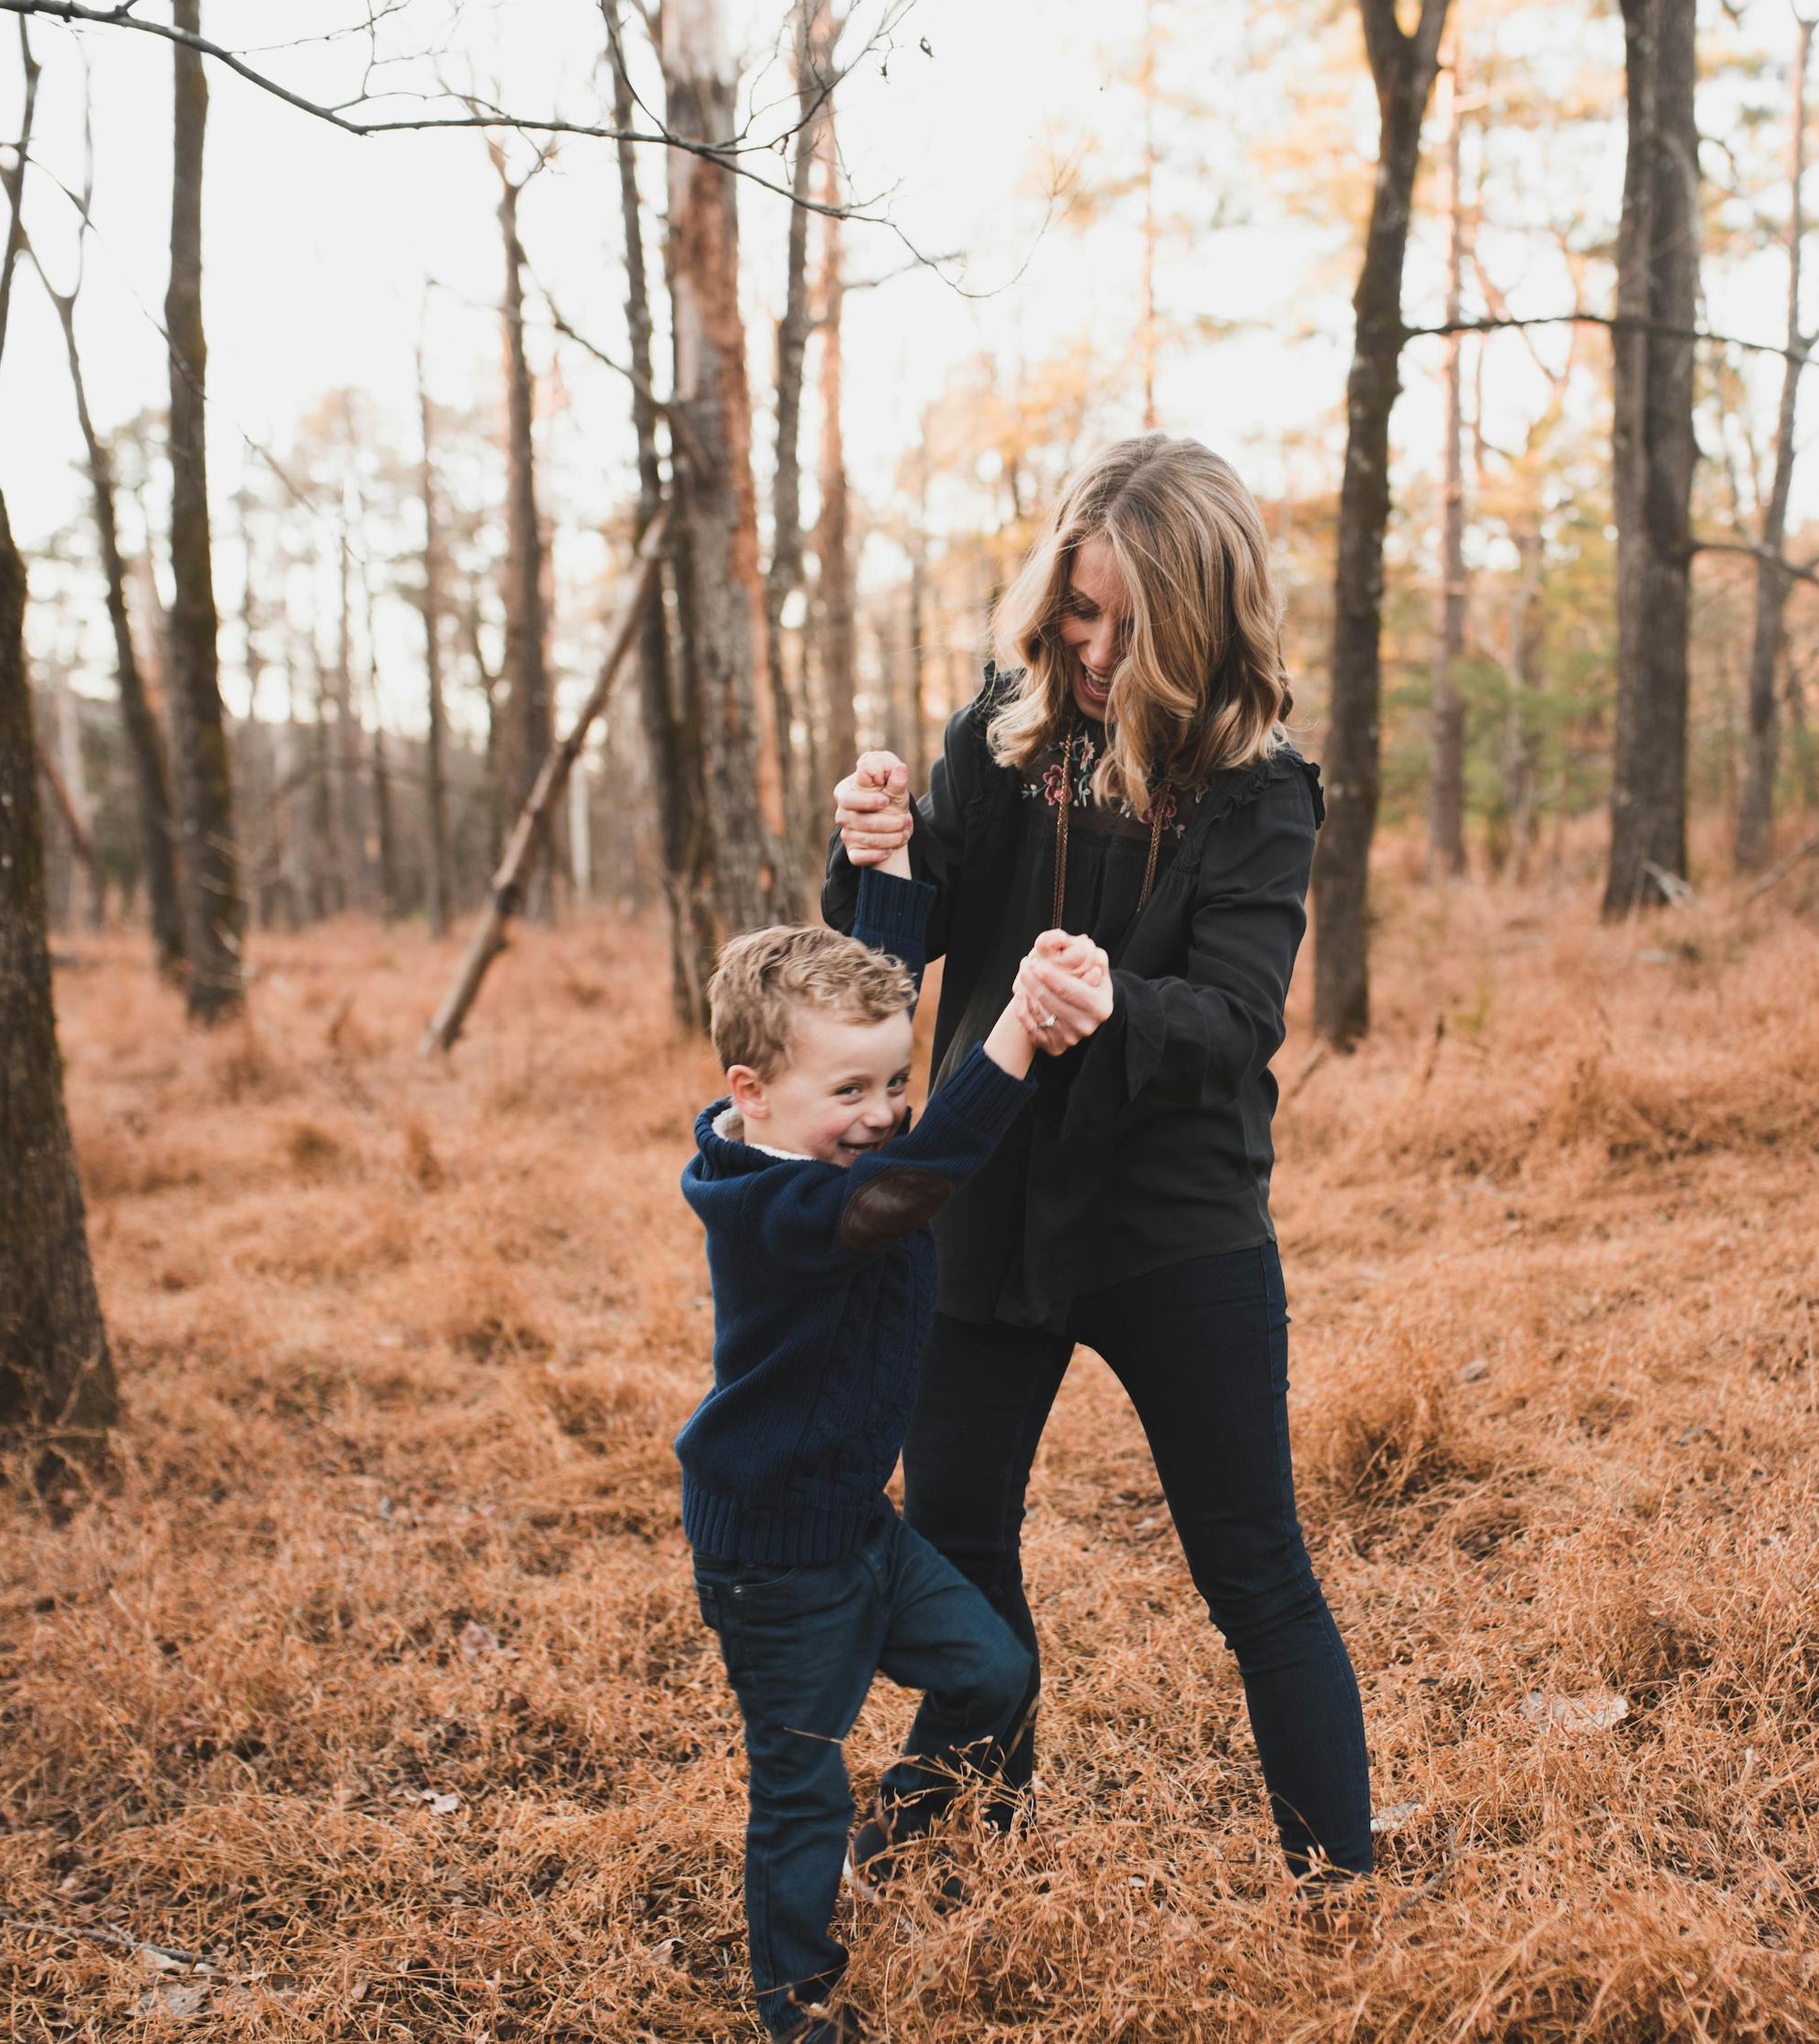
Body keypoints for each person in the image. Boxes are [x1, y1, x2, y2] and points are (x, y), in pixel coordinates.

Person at [825, 431, 1374, 1883]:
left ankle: (1344, 1891)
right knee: (952, 1536)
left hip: (1171, 1222)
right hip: (984, 1200)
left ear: (1203, 622)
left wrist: (1114, 1002)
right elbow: (897, 950)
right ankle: (972, 1806)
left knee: (1254, 1573)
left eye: (1132, 627)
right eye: (1077, 611)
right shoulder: (1004, 735)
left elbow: (1238, 1020)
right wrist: (878, 855)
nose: (1093, 648)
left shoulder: (1259, 790)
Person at [677, 858, 1100, 2043]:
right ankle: (795, 2001)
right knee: (798, 1777)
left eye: (896, 1081)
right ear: (749, 1091)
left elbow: (880, 994)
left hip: (858, 1522)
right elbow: (915, 1182)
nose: (880, 1110)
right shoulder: (780, 1205)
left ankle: (893, 1830)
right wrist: (1016, 1027)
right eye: (850, 1091)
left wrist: (891, 871)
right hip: (775, 1552)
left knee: (992, 1672)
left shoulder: (821, 1135)